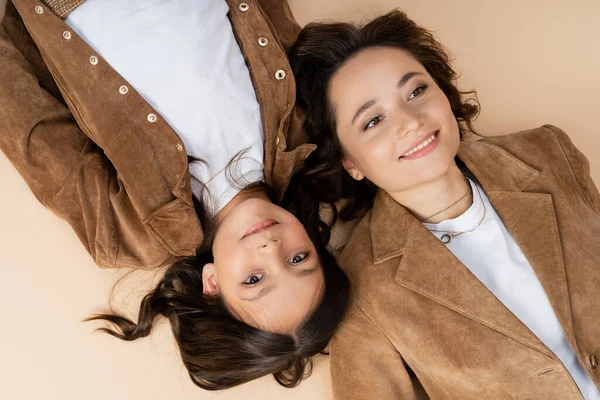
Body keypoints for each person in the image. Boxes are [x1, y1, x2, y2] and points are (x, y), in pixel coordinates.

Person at [0, 0, 349, 390]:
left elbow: (35, 134)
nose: (271, 248)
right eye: (299, 258)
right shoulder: (298, 136)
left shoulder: (129, 232)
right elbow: (272, 18)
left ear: (213, 283)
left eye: (253, 279)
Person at [290, 9, 600, 399]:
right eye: (373, 121)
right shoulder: (364, 291)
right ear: (350, 163)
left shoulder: (546, 152)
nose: (409, 120)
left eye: (416, 91)